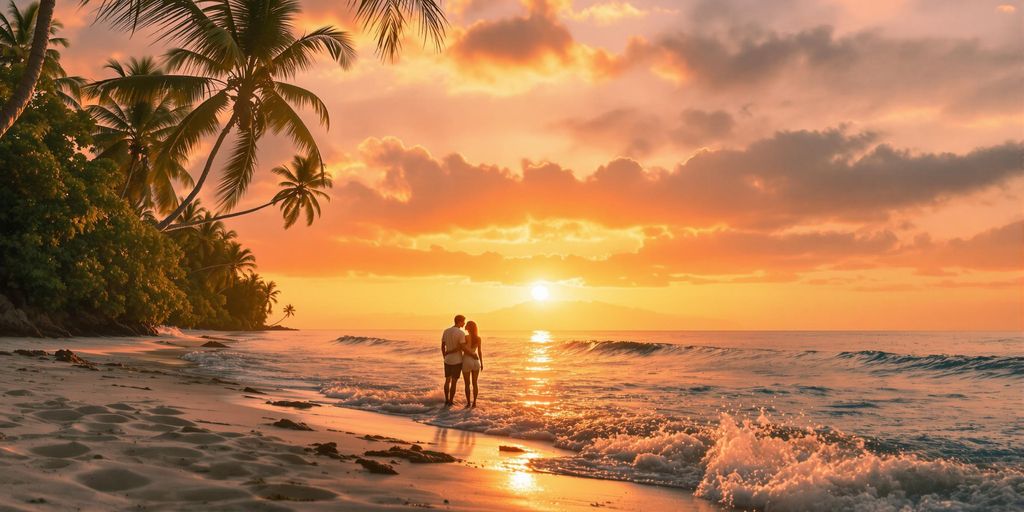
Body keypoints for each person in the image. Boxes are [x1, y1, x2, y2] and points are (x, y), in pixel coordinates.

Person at [441, 315, 466, 406]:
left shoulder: (446, 331)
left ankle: (446, 400)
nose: (464, 323)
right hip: (457, 360)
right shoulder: (461, 333)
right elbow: (461, 347)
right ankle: (451, 401)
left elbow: (442, 346)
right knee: (454, 382)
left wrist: (445, 356)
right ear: (459, 321)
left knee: (447, 380)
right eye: (463, 321)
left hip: (447, 360)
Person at [461, 321, 483, 408]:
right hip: (476, 362)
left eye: (467, 325)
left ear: (468, 328)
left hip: (467, 360)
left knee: (467, 384)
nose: (465, 326)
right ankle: (474, 403)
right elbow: (479, 351)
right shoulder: (478, 338)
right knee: (475, 383)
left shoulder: (465, 337)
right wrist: (481, 362)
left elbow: (463, 349)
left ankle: (468, 403)